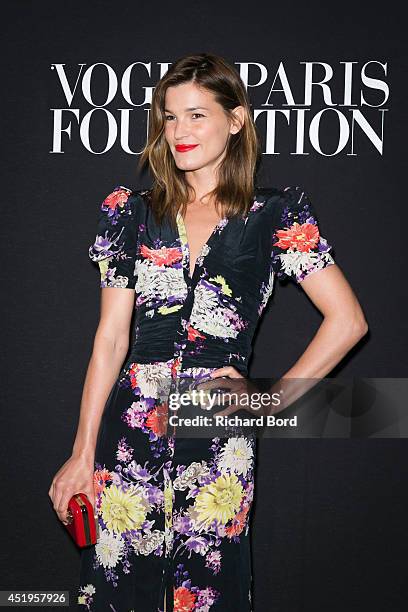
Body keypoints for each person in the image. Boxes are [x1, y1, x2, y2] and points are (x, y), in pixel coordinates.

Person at [48, 53, 368, 612]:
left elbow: (348, 321)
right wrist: (81, 453)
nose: (180, 132)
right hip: (130, 432)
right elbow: (110, 341)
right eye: (169, 118)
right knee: (119, 584)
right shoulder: (130, 211)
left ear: (237, 120)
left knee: (206, 590)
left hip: (217, 432)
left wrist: (269, 401)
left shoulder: (275, 213)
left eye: (197, 115)